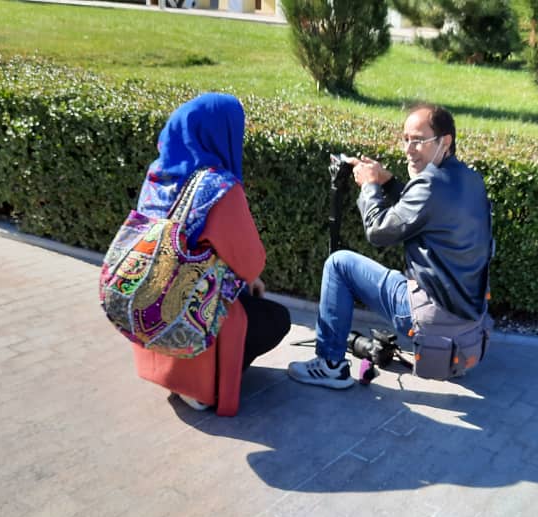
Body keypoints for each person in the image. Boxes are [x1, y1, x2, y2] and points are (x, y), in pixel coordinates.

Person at [288, 103, 492, 388]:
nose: (409, 149)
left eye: (418, 140)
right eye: (405, 139)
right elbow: (420, 210)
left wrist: (369, 186)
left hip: (431, 317)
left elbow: (378, 231)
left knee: (339, 264)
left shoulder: (430, 184)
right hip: (468, 320)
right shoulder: (470, 179)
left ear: (445, 142)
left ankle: (329, 365)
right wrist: (388, 181)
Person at [132, 93, 290, 415]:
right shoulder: (219, 188)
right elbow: (250, 262)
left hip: (149, 308)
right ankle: (204, 385)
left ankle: (174, 374)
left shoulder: (158, 174)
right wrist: (250, 277)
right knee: (275, 319)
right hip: (192, 318)